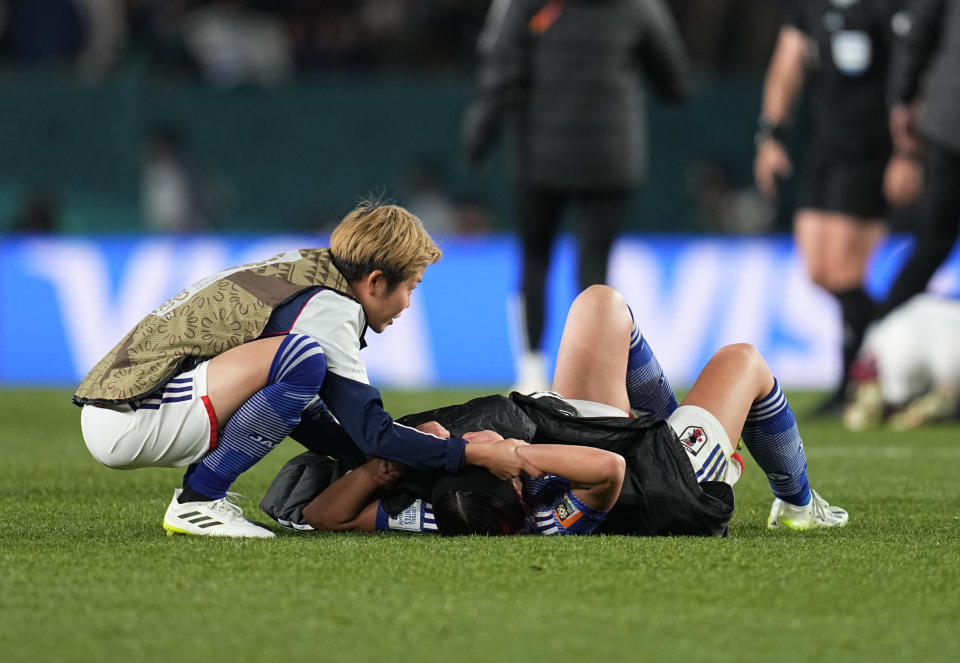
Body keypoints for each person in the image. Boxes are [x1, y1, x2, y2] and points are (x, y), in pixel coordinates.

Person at [75, 201, 536, 538]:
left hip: (129, 409)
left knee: (301, 377)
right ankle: (198, 502)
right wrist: (472, 455)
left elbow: (314, 417)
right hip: (133, 418)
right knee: (301, 361)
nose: (408, 304)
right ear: (375, 282)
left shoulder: (309, 272)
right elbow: (371, 433)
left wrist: (384, 463)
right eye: (411, 287)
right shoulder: (328, 307)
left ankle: (202, 498)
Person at [267, 285, 849, 536]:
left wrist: (376, 470)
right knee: (742, 360)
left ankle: (680, 429)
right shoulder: (545, 518)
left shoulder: (439, 511)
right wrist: (508, 453)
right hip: (660, 477)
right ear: (515, 488)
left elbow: (325, 517)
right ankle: (797, 505)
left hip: (573, 421)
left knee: (600, 302)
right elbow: (609, 471)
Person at [462, 0, 689, 392]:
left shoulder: (528, 4)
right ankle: (592, 381)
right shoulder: (638, 6)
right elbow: (675, 81)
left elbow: (501, 71)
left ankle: (531, 373)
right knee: (595, 268)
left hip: (541, 153)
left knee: (534, 259)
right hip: (611, 154)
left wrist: (479, 136)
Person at [753, 0, 915, 415]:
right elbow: (786, 64)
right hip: (825, 148)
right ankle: (890, 349)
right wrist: (771, 135)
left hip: (872, 149)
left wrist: (906, 152)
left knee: (846, 270)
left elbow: (910, 73)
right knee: (820, 271)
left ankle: (856, 382)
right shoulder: (808, 6)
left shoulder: (887, 7)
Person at [869, 0, 960, 323]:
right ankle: (880, 337)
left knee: (932, 244)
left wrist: (902, 99)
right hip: (948, 126)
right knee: (932, 243)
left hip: (946, 123)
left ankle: (877, 340)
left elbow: (917, 35)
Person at [844, 293, 960, 431]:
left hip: (933, 334)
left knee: (942, 393)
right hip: (935, 319)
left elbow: (897, 399)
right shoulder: (882, 337)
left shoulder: (885, 347)